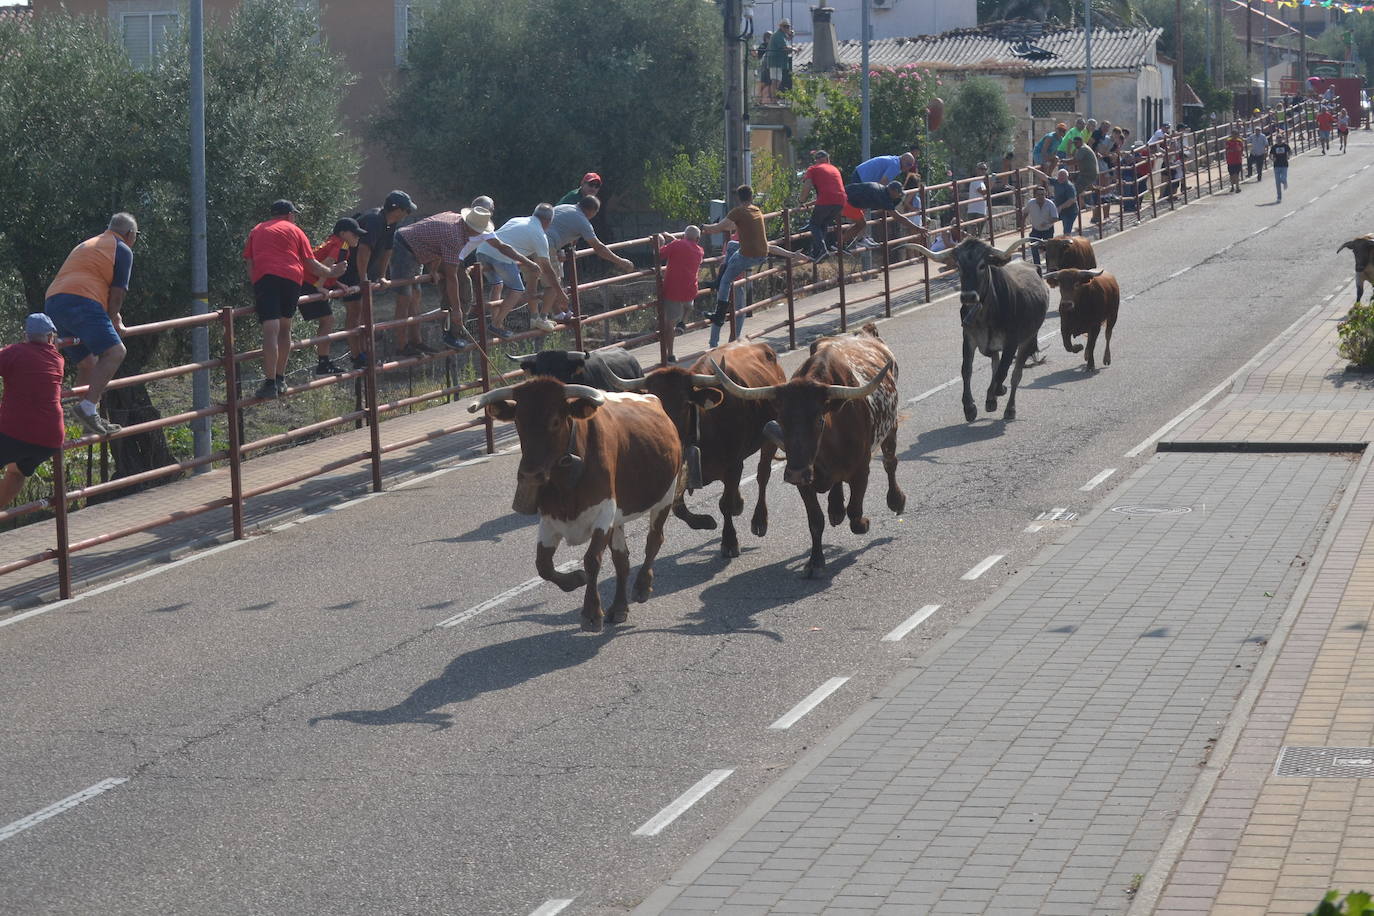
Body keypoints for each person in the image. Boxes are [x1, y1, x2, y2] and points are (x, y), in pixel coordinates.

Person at [43, 212, 138, 436]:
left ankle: (89, 420)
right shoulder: (122, 248)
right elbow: (117, 295)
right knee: (115, 352)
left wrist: (114, 318)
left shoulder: (88, 244)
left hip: (54, 302)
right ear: (130, 234)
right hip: (82, 301)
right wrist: (114, 321)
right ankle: (87, 408)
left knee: (89, 363)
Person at [242, 200, 347, 399]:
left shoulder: (256, 230)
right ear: (290, 215)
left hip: (266, 278)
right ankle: (281, 378)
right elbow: (310, 263)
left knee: (270, 329)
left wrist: (257, 286)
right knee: (284, 328)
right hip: (291, 280)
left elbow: (250, 262)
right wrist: (332, 271)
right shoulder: (295, 230)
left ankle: (270, 382)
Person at [393, 207, 539, 349]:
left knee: (416, 295)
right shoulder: (454, 237)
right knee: (406, 296)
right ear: (472, 229)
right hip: (406, 246)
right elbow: (451, 277)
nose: (481, 235)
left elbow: (436, 244)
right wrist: (457, 310)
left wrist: (433, 269)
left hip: (418, 247)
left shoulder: (458, 224)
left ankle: (417, 342)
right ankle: (402, 345)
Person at [701, 184, 807, 347]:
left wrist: (703, 228)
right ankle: (719, 292)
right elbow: (768, 245)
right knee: (731, 246)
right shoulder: (757, 211)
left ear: (738, 198)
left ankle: (719, 314)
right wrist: (792, 255)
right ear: (751, 197)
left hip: (747, 255)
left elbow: (719, 227)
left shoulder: (738, 212)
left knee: (725, 282)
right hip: (761, 254)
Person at [0, 315, 67, 504]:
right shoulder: (58, 359)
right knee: (16, 472)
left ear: (25, 336)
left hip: (13, 433)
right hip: (49, 441)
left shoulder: (15, 352)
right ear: (50, 338)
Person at [541, 196, 636, 329]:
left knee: (553, 280)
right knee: (553, 282)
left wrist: (563, 249)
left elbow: (560, 229)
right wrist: (621, 262)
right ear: (592, 211)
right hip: (547, 245)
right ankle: (546, 317)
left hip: (535, 241)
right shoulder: (583, 221)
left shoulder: (565, 207)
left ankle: (560, 313)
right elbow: (599, 248)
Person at [476, 203, 568, 336]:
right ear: (549, 222)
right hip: (500, 257)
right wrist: (560, 293)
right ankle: (496, 324)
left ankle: (497, 322)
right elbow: (547, 269)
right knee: (517, 290)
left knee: (497, 285)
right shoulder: (539, 235)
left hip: (482, 251)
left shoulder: (517, 220)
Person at [348, 190, 415, 369]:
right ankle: (357, 356)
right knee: (356, 312)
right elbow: (363, 251)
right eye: (407, 211)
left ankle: (364, 354)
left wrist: (382, 276)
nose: (407, 214)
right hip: (349, 270)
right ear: (398, 210)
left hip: (362, 272)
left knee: (364, 312)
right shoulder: (374, 220)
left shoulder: (389, 223)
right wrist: (363, 279)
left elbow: (388, 249)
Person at [299, 217, 363, 373]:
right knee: (328, 320)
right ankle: (323, 363)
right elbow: (327, 263)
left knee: (327, 320)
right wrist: (319, 286)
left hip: (306, 281)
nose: (357, 237)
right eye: (354, 234)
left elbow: (328, 267)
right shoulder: (341, 245)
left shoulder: (334, 241)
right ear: (343, 233)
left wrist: (337, 283)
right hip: (308, 284)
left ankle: (324, 362)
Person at [656, 226, 704, 360]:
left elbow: (659, 254)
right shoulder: (700, 251)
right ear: (698, 239)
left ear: (683, 235)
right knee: (689, 306)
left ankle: (669, 354)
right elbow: (685, 247)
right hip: (690, 290)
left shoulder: (676, 245)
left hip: (673, 290)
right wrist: (674, 240)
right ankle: (683, 322)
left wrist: (660, 242)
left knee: (669, 324)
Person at [801, 149, 847, 261]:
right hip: (841, 201)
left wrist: (801, 201)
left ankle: (822, 250)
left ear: (816, 160)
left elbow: (807, 186)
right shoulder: (834, 169)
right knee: (823, 225)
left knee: (814, 224)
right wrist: (811, 203)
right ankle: (817, 253)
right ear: (827, 159)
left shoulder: (813, 169)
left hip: (826, 201)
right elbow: (830, 191)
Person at [1023, 185, 1059, 275]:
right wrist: (1022, 223)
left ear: (1045, 194)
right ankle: (1038, 269)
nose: (1041, 196)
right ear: (1035, 195)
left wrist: (1047, 222)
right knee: (1034, 248)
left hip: (1048, 230)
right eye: (1038, 194)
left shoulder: (1050, 204)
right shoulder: (1031, 203)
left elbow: (1056, 218)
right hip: (1036, 230)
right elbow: (1025, 213)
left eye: (1042, 194)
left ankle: (1049, 269)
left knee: (1048, 250)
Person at [848, 152, 916, 187]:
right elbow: (882, 184)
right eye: (908, 164)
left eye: (911, 166)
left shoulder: (895, 161)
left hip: (860, 174)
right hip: (861, 178)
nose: (909, 168)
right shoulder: (895, 166)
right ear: (903, 159)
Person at [1071, 136, 1099, 220]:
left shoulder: (1083, 149)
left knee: (1074, 192)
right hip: (1086, 173)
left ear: (1080, 142)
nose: (1075, 145)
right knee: (1069, 176)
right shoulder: (1083, 148)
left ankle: (1077, 208)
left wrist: (1064, 161)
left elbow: (1075, 161)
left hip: (1087, 174)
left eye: (1076, 143)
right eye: (1074, 143)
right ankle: (1085, 202)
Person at [766, 19, 794, 100]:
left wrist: (791, 35)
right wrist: (794, 49)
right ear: (781, 26)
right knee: (775, 81)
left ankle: (774, 99)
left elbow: (787, 41)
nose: (786, 28)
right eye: (785, 26)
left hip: (778, 62)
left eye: (788, 26)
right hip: (775, 61)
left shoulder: (782, 35)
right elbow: (784, 47)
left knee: (778, 80)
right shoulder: (778, 35)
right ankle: (773, 99)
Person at [963, 162, 990, 237]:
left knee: (979, 234)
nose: (983, 171)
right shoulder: (976, 180)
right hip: (974, 211)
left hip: (981, 210)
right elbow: (983, 192)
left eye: (985, 169)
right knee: (973, 234)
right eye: (981, 169)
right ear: (977, 170)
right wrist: (992, 183)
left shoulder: (982, 182)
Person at [1271, 131, 1291, 203]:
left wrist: (1288, 156)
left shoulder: (1285, 146)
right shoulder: (1274, 147)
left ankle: (1285, 182)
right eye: (1277, 138)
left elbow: (1290, 151)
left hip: (1284, 165)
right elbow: (1270, 155)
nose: (1279, 139)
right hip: (1276, 166)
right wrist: (1272, 159)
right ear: (1276, 139)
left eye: (1280, 138)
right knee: (1277, 183)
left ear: (1282, 138)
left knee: (1283, 178)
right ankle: (1279, 197)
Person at [1225, 128, 1245, 193]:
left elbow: (1242, 149)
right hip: (1230, 160)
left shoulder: (1239, 141)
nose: (1235, 136)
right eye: (1234, 134)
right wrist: (1233, 150)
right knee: (1231, 175)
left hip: (1238, 160)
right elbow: (1227, 149)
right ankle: (1232, 187)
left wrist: (1240, 152)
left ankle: (1237, 187)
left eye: (1236, 134)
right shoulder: (1228, 141)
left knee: (1237, 174)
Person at [755, 30, 774, 103]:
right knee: (763, 84)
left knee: (768, 84)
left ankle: (764, 100)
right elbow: (759, 56)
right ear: (766, 38)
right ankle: (759, 99)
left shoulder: (772, 46)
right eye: (770, 37)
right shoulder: (763, 45)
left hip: (769, 67)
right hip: (764, 67)